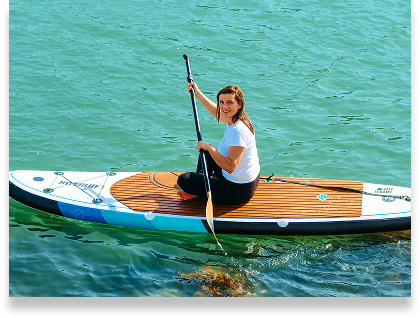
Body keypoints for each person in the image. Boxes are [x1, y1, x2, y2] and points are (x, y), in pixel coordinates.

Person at [176, 83, 260, 205]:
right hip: (248, 179)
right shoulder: (240, 118)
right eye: (221, 102)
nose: (224, 106)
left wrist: (210, 148)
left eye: (229, 102)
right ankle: (200, 187)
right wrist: (197, 93)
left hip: (237, 190)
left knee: (184, 180)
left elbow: (230, 167)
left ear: (239, 104)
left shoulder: (238, 131)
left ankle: (198, 190)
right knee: (205, 153)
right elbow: (216, 112)